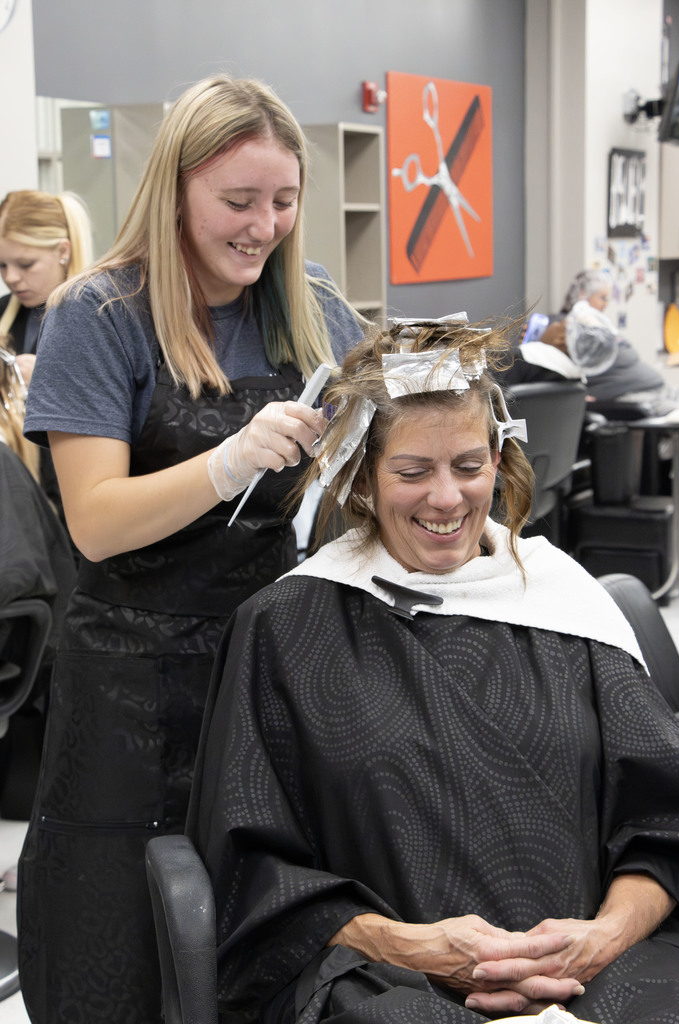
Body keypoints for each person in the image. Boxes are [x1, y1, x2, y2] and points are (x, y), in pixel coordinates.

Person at [188, 315, 679, 1024]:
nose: (446, 498)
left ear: (499, 459)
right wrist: (413, 948)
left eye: (469, 466)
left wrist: (600, 939)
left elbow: (663, 821)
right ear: (360, 479)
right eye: (412, 472)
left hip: (593, 970)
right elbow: (251, 869)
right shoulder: (286, 627)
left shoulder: (564, 603)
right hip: (388, 981)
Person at [17, 74, 365, 1024]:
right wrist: (225, 465)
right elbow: (94, 520)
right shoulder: (99, 315)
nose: (264, 226)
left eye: (284, 201)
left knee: (266, 922)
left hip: (268, 666)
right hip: (131, 680)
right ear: (176, 188)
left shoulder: (311, 304)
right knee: (116, 936)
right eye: (238, 202)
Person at [538, 269, 679, 415]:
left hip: (657, 389)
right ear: (582, 295)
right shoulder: (564, 330)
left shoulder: (598, 326)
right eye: (602, 298)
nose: (606, 304)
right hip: (635, 397)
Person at [0, 189, 94, 386]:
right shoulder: (2, 310)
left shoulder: (99, 319)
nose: (10, 278)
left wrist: (49, 378)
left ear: (63, 251)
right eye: (2, 265)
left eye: (26, 264)